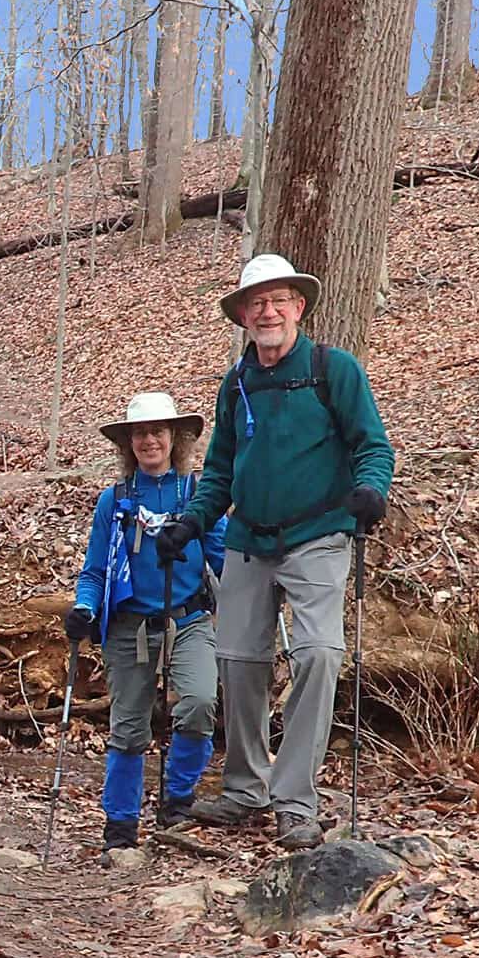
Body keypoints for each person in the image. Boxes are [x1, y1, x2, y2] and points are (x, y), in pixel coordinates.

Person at [158, 253, 394, 850]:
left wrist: (370, 491)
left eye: (278, 300)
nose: (267, 311)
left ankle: (295, 800)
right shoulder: (236, 384)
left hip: (318, 533)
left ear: (299, 306)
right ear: (242, 314)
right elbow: (218, 469)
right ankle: (244, 788)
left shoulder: (332, 369)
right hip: (247, 538)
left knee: (317, 654)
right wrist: (191, 523)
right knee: (237, 660)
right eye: (255, 302)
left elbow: (373, 444)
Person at [66, 393, 228, 860]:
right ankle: (120, 824)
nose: (149, 440)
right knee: (129, 729)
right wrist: (84, 608)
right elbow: (96, 569)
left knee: (199, 703)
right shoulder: (114, 501)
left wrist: (256, 585)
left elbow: (221, 556)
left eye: (158, 431)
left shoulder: (197, 494)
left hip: (188, 618)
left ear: (175, 437)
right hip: (129, 627)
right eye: (140, 432)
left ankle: (178, 800)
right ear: (128, 442)